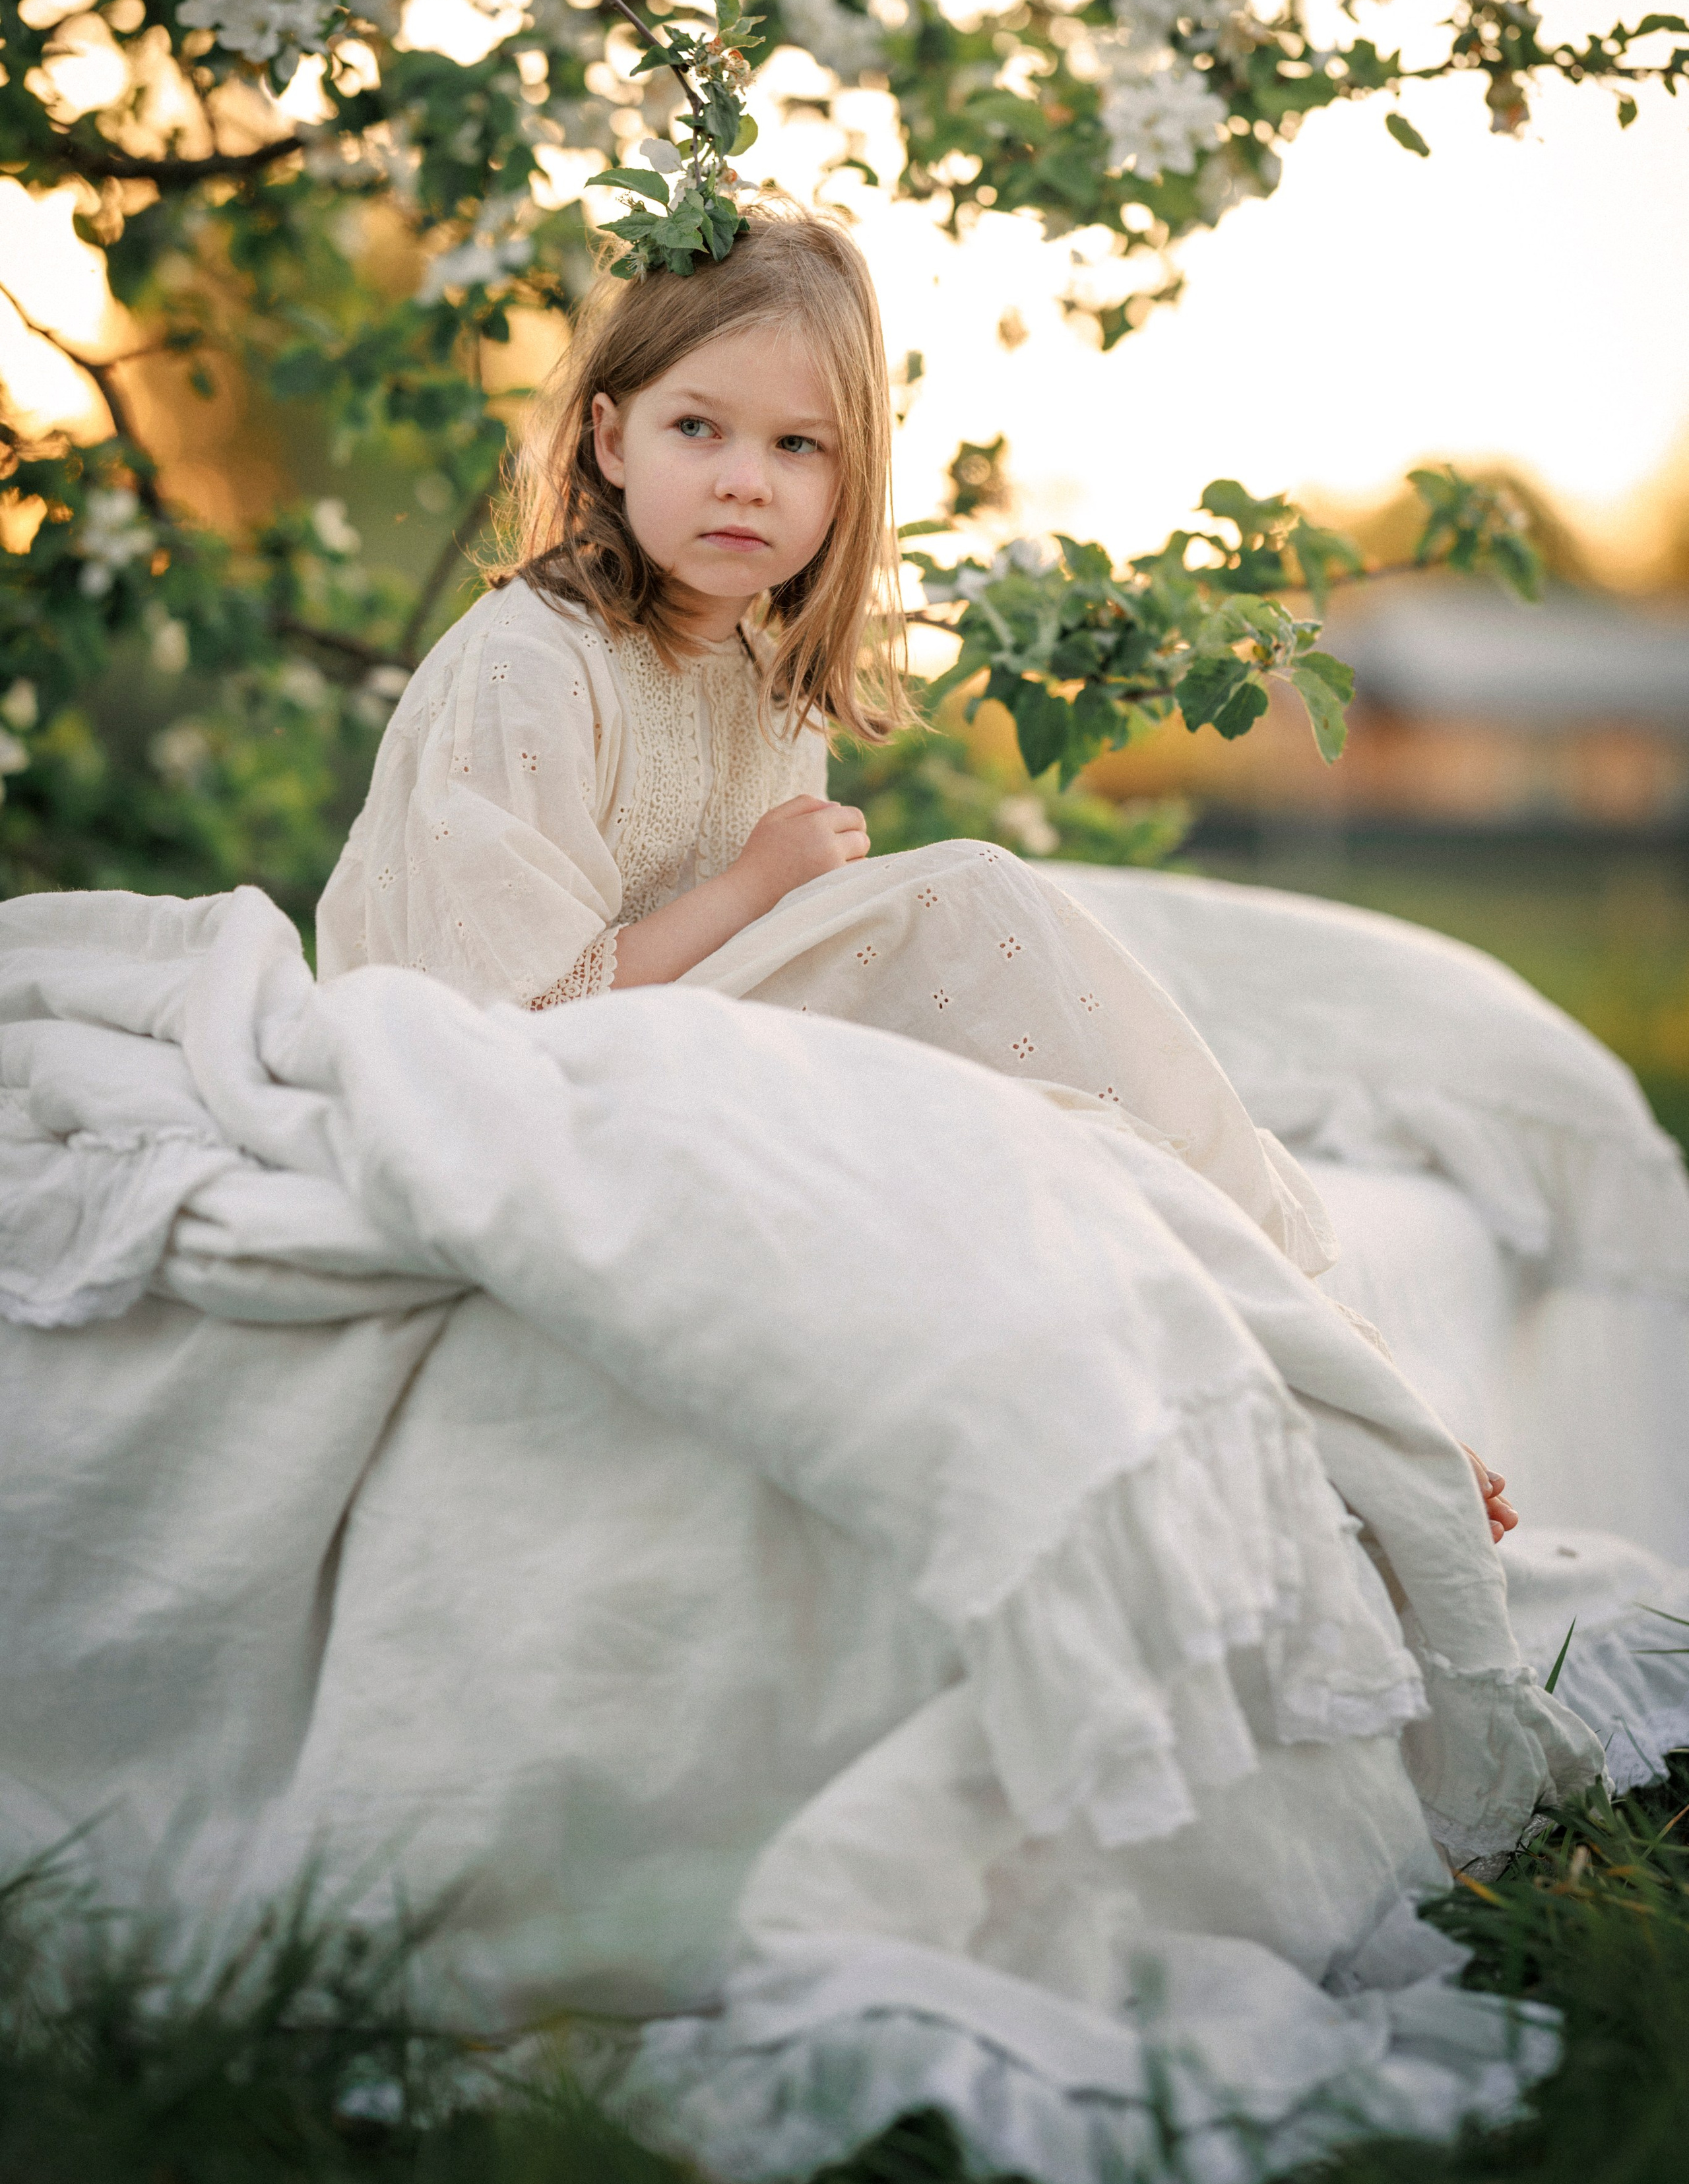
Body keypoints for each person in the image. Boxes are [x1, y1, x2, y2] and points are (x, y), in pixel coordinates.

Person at [316, 197, 1515, 1537]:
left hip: (690, 1057)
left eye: (795, 447)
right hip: (537, 1078)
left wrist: (786, 919)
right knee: (966, 908)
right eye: (696, 427)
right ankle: (1336, 1368)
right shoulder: (531, 661)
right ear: (608, 435)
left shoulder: (767, 680)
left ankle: (1307, 1346)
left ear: (847, 481)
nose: (741, 479)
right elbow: (506, 1023)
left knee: (1066, 1128)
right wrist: (759, 889)